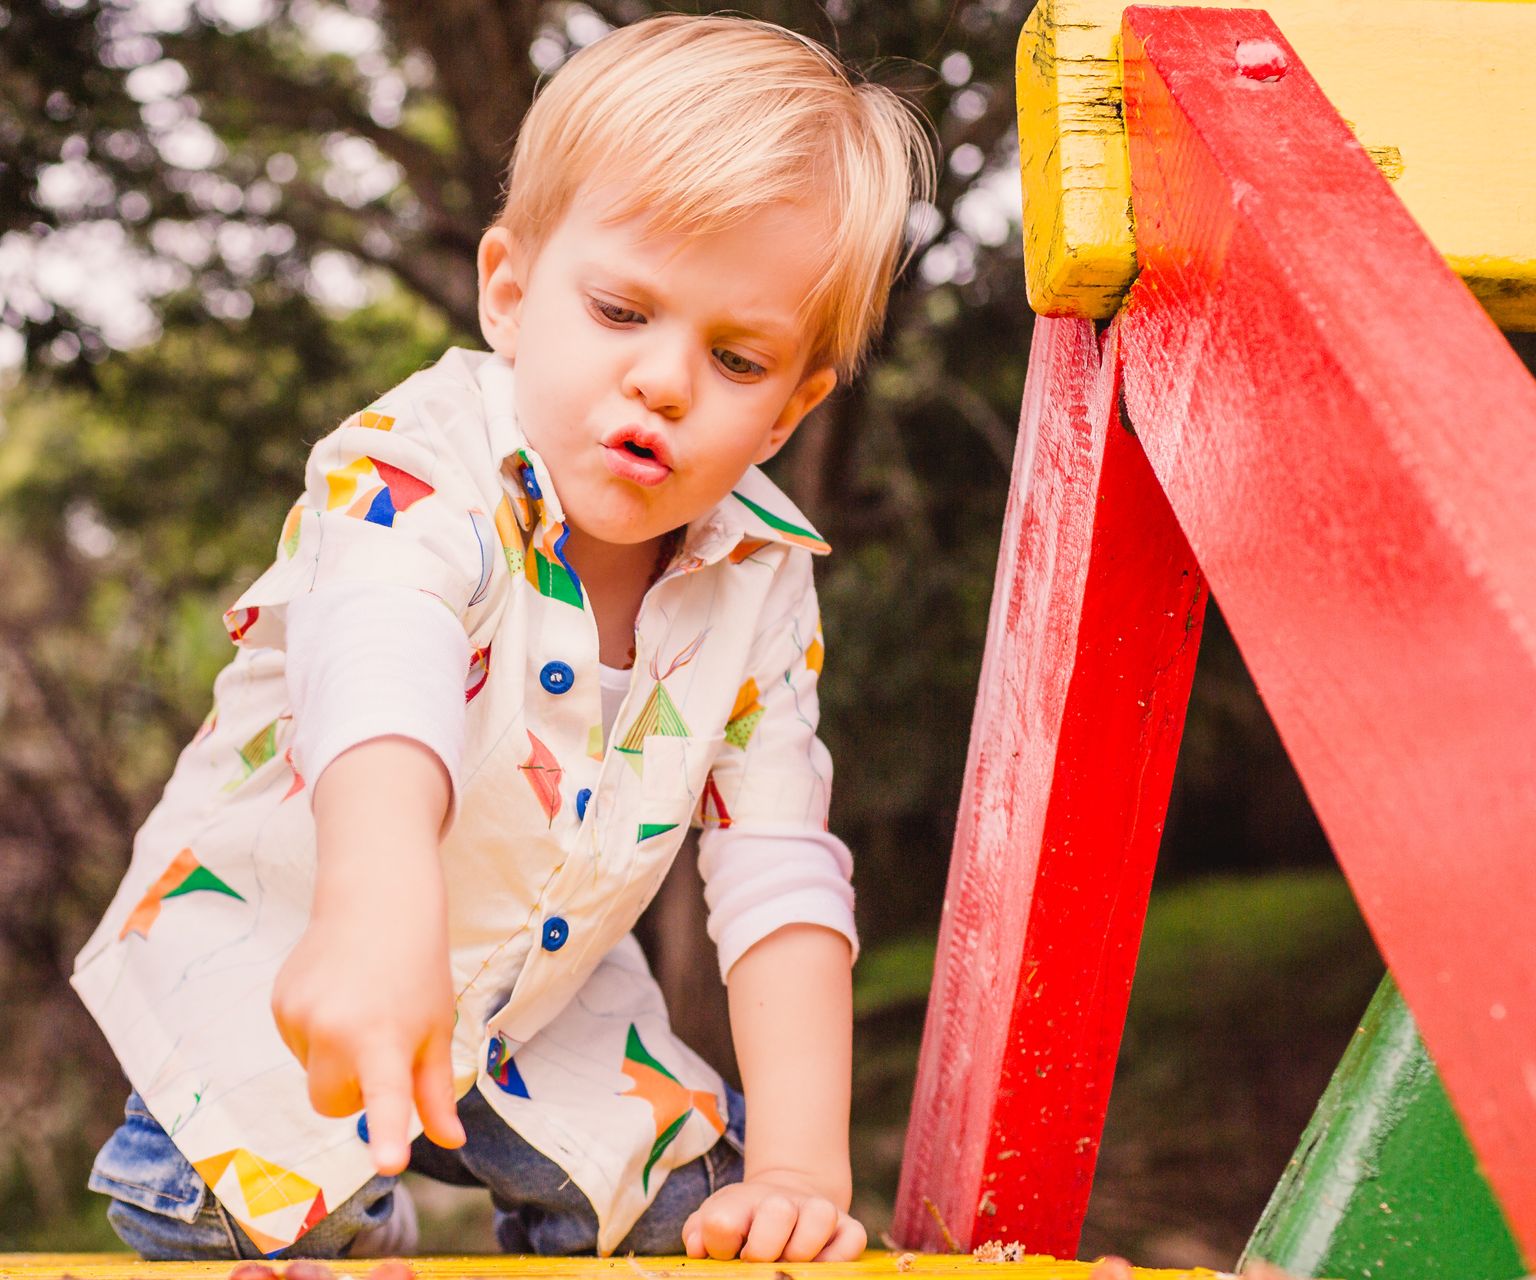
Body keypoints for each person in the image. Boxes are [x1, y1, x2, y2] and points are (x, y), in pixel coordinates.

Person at [71, 13, 932, 1262]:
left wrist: (801, 1164)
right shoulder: (419, 463)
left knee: (698, 1211)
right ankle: (314, 1201)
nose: (666, 379)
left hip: (542, 999)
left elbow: (779, 863)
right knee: (253, 1215)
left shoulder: (760, 577)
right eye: (622, 308)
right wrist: (377, 901)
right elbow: (380, 649)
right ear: (511, 294)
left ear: (790, 410)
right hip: (291, 954)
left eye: (736, 357)